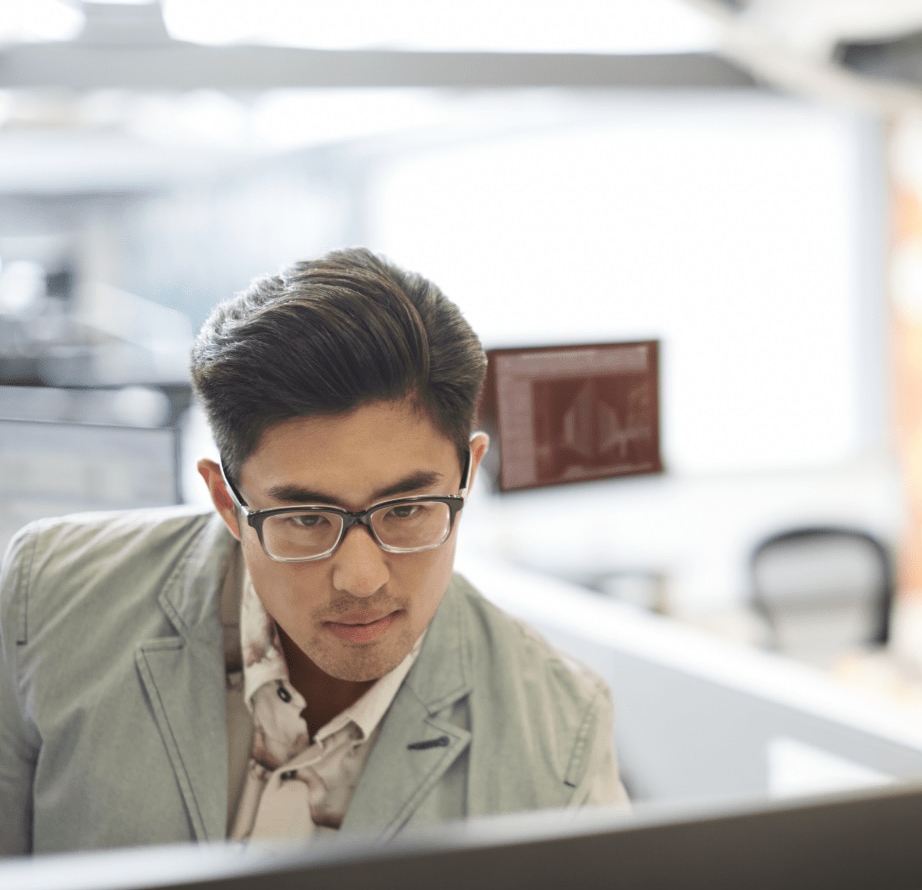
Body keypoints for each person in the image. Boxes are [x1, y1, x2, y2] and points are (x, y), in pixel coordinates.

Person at [0, 248, 628, 855]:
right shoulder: (46, 599)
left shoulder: (561, 730)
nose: (360, 577)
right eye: (304, 516)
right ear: (226, 501)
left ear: (467, 477)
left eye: (406, 510)